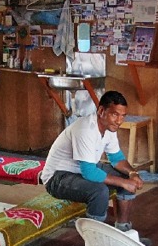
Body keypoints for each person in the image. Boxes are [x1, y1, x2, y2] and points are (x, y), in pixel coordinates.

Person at [40, 90, 144, 232]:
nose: (119, 121)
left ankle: (123, 231)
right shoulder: (85, 129)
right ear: (101, 111)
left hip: (79, 171)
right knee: (99, 192)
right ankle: (94, 241)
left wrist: (132, 173)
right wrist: (123, 183)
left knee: (125, 176)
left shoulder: (109, 128)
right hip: (57, 177)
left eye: (122, 116)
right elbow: (89, 172)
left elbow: (117, 159)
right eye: (115, 114)